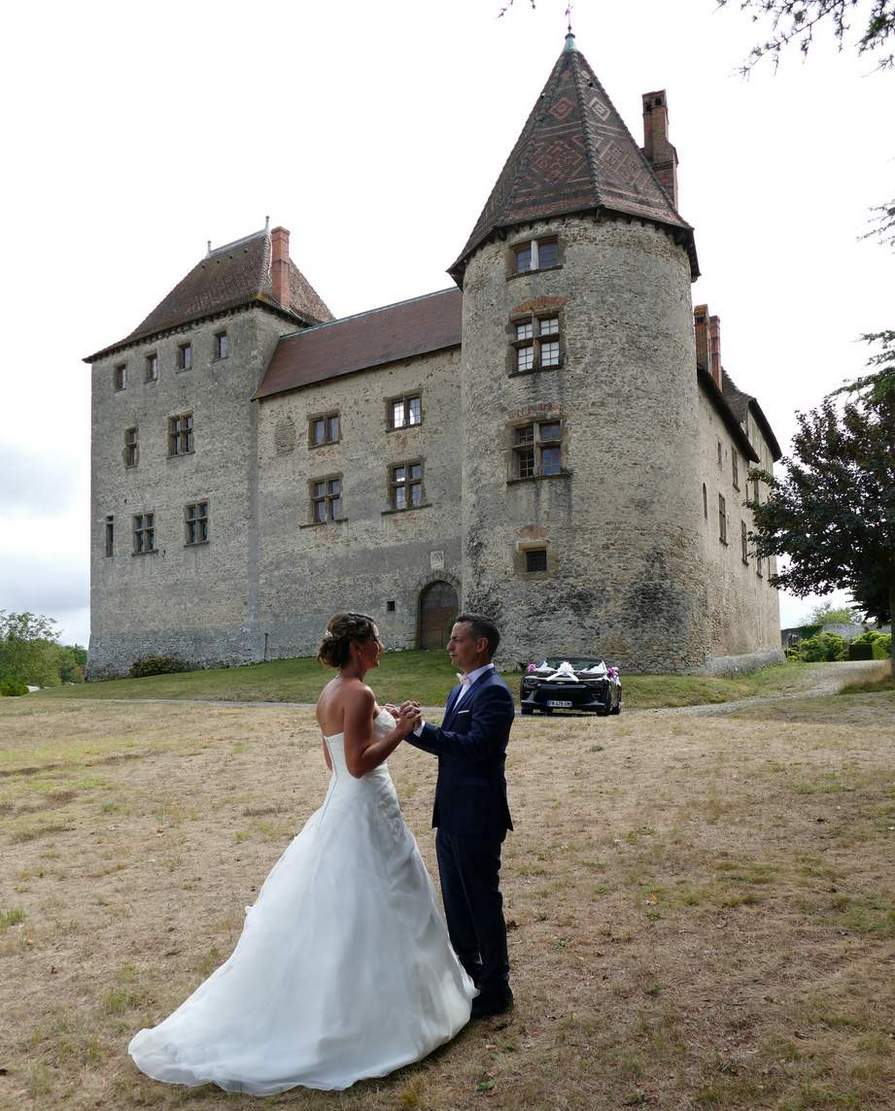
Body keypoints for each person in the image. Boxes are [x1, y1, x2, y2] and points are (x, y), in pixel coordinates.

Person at [128, 612, 476, 1095]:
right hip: (364, 803)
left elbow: (331, 760)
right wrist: (401, 731)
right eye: (375, 642)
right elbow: (357, 766)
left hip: (347, 805)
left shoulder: (329, 694)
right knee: (373, 901)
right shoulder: (358, 694)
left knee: (351, 904)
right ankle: (386, 1022)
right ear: (357, 647)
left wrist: (387, 724)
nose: (381, 648)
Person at [399, 613, 515, 1018]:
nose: (449, 646)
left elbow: (476, 746)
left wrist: (424, 729)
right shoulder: (457, 692)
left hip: (478, 815)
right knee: (456, 901)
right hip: (449, 812)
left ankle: (497, 988)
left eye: (457, 640)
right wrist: (409, 730)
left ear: (480, 645)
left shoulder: (495, 693)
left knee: (481, 900)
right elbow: (448, 747)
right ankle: (469, 974)